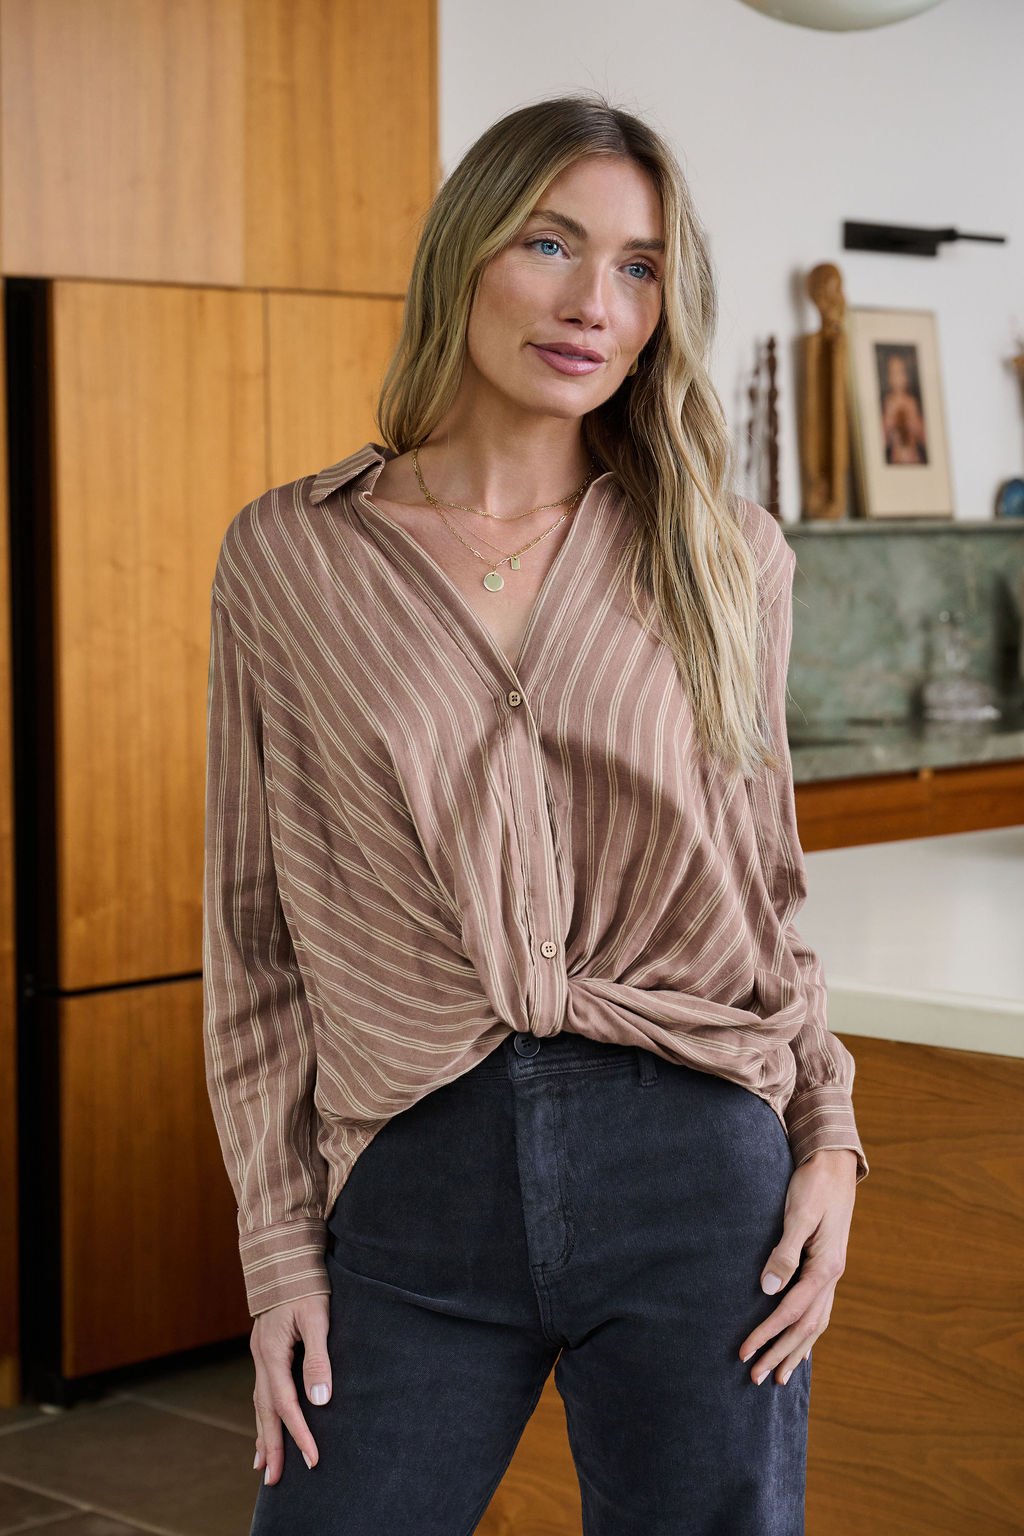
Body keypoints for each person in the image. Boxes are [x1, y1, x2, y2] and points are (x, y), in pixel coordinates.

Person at [203, 91, 869, 1536]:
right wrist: (277, 1251)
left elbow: (765, 881)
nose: (594, 303)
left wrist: (826, 1135)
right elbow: (254, 944)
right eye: (551, 244)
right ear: (463, 257)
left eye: (637, 267)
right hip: (412, 1182)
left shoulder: (723, 551)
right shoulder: (289, 558)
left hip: (697, 1171)